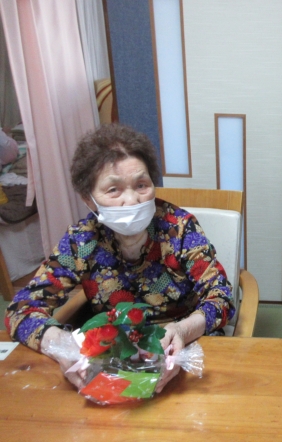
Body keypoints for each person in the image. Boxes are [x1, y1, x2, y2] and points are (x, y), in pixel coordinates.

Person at [5, 123, 236, 392]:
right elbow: (20, 310)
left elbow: (221, 297)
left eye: (141, 185)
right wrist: (62, 345)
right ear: (89, 199)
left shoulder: (179, 228)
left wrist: (183, 331)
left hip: (185, 350)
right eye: (114, 190)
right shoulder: (82, 240)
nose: (132, 200)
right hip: (113, 359)